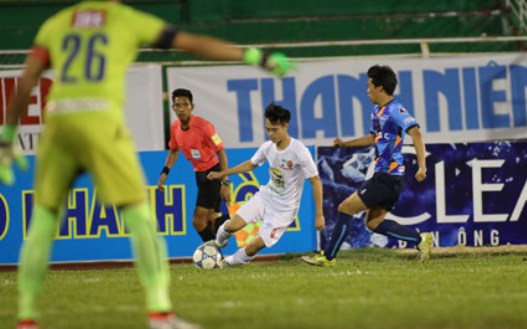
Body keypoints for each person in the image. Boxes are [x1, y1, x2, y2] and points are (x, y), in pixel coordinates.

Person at [0, 1, 293, 329]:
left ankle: (25, 318)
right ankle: (159, 313)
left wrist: (7, 136)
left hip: (58, 125)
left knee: (43, 221)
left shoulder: (57, 22)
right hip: (101, 122)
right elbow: (192, 43)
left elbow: (27, 80)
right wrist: (255, 56)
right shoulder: (124, 18)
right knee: (140, 219)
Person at [301, 64, 432, 267]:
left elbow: (415, 132)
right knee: (373, 223)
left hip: (388, 177)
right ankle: (420, 240)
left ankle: (328, 257)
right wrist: (346, 144)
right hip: (388, 177)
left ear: (380, 87)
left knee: (345, 208)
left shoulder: (395, 110)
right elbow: (373, 137)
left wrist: (422, 165)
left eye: (369, 85)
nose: (367, 90)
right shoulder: (377, 112)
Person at [206, 103, 325, 266]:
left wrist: (319, 214)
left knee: (253, 247)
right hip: (265, 197)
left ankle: (226, 263)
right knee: (232, 227)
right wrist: (222, 174)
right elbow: (250, 165)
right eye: (267, 129)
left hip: (284, 209)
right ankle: (218, 243)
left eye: (274, 130)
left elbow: (315, 181)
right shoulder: (267, 147)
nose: (270, 134)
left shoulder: (299, 151)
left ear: (285, 126)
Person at [158, 88, 230, 244]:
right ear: (173, 108)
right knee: (211, 220)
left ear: (192, 106)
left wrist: (225, 182)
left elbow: (221, 152)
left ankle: (214, 254)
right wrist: (165, 172)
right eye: (178, 105)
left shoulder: (204, 127)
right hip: (199, 175)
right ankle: (234, 220)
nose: (182, 109)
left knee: (198, 222)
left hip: (213, 174)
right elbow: (173, 151)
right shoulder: (175, 127)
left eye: (186, 105)